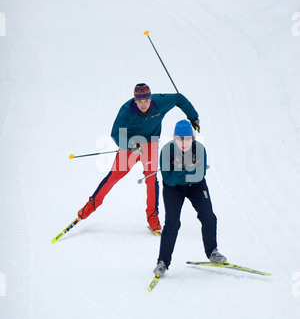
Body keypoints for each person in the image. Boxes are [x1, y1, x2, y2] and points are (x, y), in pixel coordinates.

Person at [78, 84, 200, 232]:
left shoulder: (160, 102)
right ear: (135, 101)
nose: (143, 105)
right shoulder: (126, 109)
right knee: (114, 176)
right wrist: (131, 145)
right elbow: (115, 133)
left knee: (151, 178)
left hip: (151, 144)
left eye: (146, 101)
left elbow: (179, 98)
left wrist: (193, 117)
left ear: (150, 98)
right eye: (139, 101)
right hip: (131, 143)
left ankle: (152, 216)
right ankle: (91, 205)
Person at [153, 119, 227, 275]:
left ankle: (212, 252)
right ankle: (163, 262)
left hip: (196, 186)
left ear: (192, 138)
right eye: (180, 138)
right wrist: (188, 169)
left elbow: (199, 176)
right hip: (173, 190)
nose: (184, 142)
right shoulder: (167, 151)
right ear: (174, 138)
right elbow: (168, 179)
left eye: (187, 138)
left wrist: (179, 172)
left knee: (209, 217)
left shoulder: (199, 149)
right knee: (172, 223)